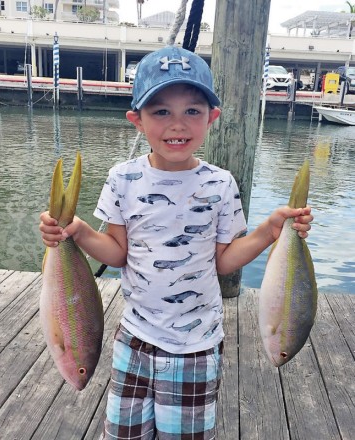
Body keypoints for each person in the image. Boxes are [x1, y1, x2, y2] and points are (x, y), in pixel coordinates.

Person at [39, 45, 313, 440]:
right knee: (122, 434)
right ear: (136, 119)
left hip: (197, 345)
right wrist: (76, 231)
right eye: (161, 111)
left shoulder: (220, 184)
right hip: (134, 338)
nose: (177, 125)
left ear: (212, 118)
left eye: (192, 111)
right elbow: (118, 253)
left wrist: (270, 231)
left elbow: (223, 261)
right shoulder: (122, 178)